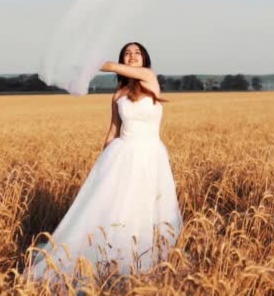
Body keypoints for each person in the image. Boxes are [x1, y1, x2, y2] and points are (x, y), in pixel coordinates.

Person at [24, 42, 183, 283]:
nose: (131, 56)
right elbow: (113, 130)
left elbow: (108, 65)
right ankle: (110, 259)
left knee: (148, 207)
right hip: (122, 156)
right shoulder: (118, 95)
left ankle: (146, 261)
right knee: (115, 208)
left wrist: (87, 62)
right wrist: (102, 165)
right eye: (127, 53)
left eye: (136, 53)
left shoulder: (149, 78)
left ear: (145, 59)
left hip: (150, 155)